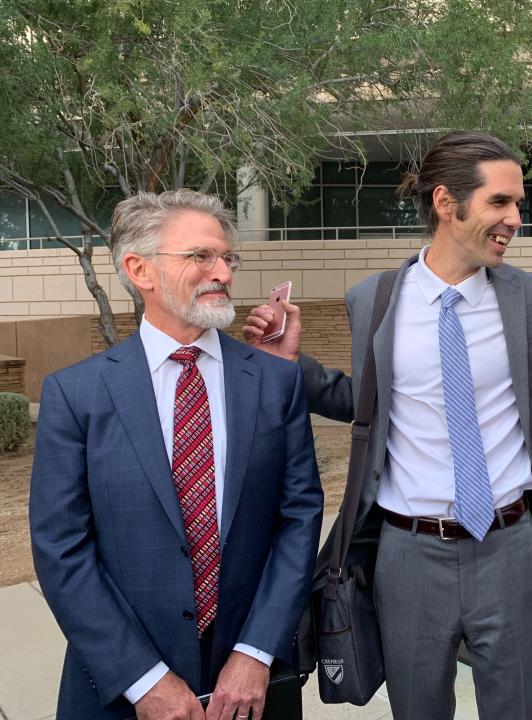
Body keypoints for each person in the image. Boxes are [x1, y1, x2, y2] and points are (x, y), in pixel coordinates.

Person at [243, 131, 532, 719]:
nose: (515, 219)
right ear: (447, 204)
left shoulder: (529, 296)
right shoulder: (372, 300)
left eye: (520, 205)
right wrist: (287, 368)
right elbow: (364, 402)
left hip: (510, 548)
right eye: (500, 203)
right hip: (407, 556)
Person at [30, 189, 323, 720]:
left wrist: (255, 654)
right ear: (139, 269)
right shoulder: (76, 394)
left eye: (227, 258)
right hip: (120, 690)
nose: (223, 273)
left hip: (254, 688)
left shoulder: (275, 382)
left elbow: (298, 520)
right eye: (200, 257)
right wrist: (143, 681)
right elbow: (61, 547)